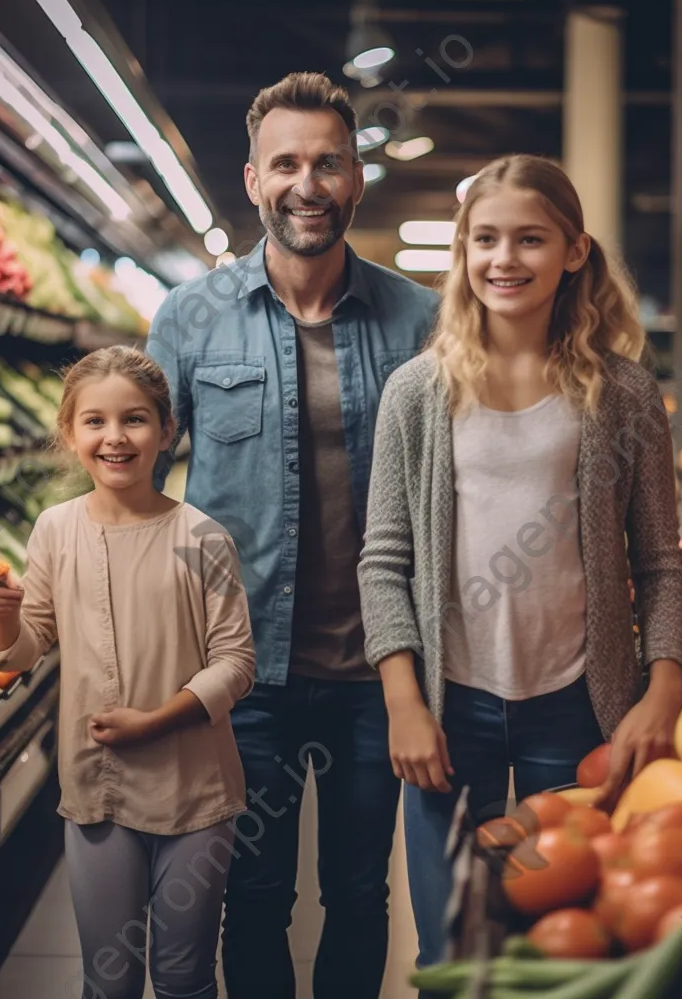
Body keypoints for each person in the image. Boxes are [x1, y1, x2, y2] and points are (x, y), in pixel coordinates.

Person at [357, 155, 682, 977]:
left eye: (530, 240)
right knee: (450, 945)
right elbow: (384, 560)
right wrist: (403, 700)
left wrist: (663, 687)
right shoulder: (418, 394)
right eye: (487, 240)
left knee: (560, 938)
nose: (505, 260)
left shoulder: (624, 395)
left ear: (573, 252)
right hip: (450, 707)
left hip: (577, 707)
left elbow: (659, 564)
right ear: (463, 253)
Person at [146, 72, 440, 999]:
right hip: (242, 677)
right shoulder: (189, 319)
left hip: (377, 674)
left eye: (327, 163)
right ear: (252, 179)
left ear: (356, 180)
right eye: (286, 164)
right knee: (256, 893)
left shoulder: (422, 322)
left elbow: (455, 489)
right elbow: (133, 494)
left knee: (360, 896)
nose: (305, 184)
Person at [0, 346, 255, 999]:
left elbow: (237, 664)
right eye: (95, 422)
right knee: (108, 976)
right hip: (96, 789)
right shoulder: (55, 529)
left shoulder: (202, 537)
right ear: (70, 434)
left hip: (195, 791)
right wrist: (3, 619)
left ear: (165, 431)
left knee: (184, 975)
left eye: (134, 420)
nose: (115, 438)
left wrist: (155, 722)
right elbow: (28, 648)